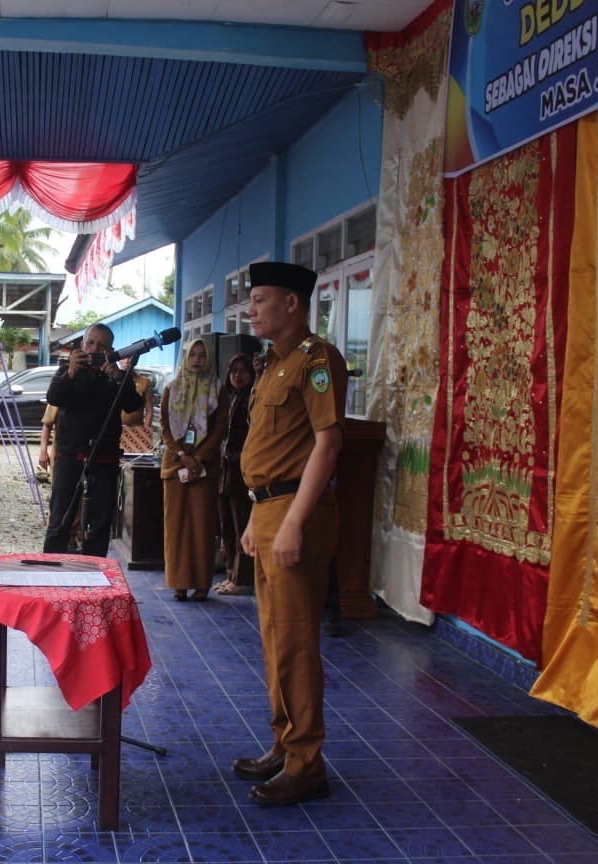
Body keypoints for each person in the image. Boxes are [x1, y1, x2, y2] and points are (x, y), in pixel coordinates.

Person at [231, 261, 347, 808]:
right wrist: (257, 515)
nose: (250, 309)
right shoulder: (270, 365)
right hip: (270, 509)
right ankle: (284, 742)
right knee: (275, 638)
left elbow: (327, 444)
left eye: (259, 299)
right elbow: (271, 454)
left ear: (292, 304)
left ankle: (306, 763)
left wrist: (294, 521)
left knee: (297, 640)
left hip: (297, 511)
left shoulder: (317, 360)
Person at [42, 323, 141, 557]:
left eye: (103, 345)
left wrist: (118, 376)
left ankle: (93, 579)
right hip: (69, 456)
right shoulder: (67, 370)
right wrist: (71, 373)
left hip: (104, 458)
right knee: (60, 519)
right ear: (82, 345)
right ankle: (49, 577)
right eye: (91, 342)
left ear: (111, 350)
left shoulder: (116, 376)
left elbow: (134, 406)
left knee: (99, 523)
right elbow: (54, 397)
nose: (95, 348)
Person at [159, 337, 226, 601]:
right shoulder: (172, 388)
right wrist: (181, 455)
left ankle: (201, 584)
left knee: (201, 526)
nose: (197, 360)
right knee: (176, 526)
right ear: (185, 358)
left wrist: (199, 457)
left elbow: (221, 426)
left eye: (202, 355)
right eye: (193, 355)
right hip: (175, 466)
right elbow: (164, 426)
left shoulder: (217, 389)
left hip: (203, 468)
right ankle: (178, 583)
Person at [214, 353, 257, 596]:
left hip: (242, 470)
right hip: (225, 470)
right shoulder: (230, 398)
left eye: (243, 371)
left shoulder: (252, 398)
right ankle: (230, 573)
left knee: (242, 524)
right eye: (233, 371)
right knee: (226, 526)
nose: (237, 376)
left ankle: (242, 579)